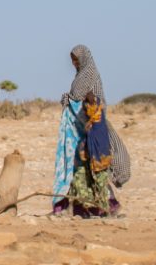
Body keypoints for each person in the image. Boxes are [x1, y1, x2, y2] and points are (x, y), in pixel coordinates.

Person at [55, 44, 131, 217]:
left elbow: (75, 94)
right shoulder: (83, 75)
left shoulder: (88, 74)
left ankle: (107, 205)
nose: (73, 63)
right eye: (72, 60)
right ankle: (84, 208)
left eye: (75, 59)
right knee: (82, 170)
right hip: (87, 128)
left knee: (96, 171)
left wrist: (71, 100)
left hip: (94, 129)